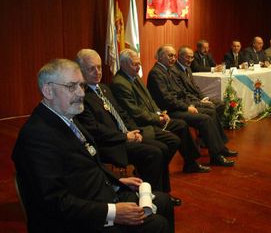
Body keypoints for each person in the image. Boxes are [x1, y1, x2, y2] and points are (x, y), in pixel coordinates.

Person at [11, 59, 174, 233]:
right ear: (48, 91)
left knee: (164, 202)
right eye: (72, 86)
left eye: (81, 86)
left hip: (96, 196)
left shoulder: (67, 117)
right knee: (158, 225)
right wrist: (114, 212)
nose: (81, 93)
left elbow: (87, 165)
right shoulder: (37, 136)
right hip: (72, 221)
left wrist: (116, 182)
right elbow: (54, 201)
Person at [75, 49, 181, 203]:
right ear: (80, 70)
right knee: (154, 153)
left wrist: (133, 131)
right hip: (109, 144)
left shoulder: (103, 89)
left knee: (163, 148)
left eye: (99, 67)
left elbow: (122, 113)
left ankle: (162, 193)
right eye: (92, 68)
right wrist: (125, 136)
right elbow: (94, 130)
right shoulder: (81, 96)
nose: (98, 72)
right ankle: (153, 198)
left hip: (125, 136)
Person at [110, 49, 210, 174]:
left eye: (139, 64)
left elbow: (150, 99)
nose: (138, 68)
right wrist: (158, 118)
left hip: (152, 118)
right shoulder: (120, 83)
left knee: (182, 125)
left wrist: (160, 113)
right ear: (123, 64)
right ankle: (151, 169)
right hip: (140, 125)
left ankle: (189, 163)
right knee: (174, 140)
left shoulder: (134, 77)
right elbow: (135, 112)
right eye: (134, 64)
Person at [147, 44, 237, 167]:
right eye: (170, 55)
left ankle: (220, 149)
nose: (173, 58)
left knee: (211, 111)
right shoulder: (156, 73)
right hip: (169, 111)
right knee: (205, 118)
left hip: (179, 106)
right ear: (161, 57)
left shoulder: (167, 70)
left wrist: (191, 103)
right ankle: (216, 156)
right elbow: (166, 99)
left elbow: (181, 92)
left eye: (174, 56)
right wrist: (186, 107)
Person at [172, 46, 226, 119]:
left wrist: (204, 98)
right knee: (212, 106)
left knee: (221, 104)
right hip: (188, 101)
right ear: (180, 56)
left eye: (192, 57)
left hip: (197, 98)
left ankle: (215, 127)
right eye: (188, 57)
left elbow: (195, 87)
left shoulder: (187, 68)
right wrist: (200, 101)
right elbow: (183, 92)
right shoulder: (174, 70)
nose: (190, 60)